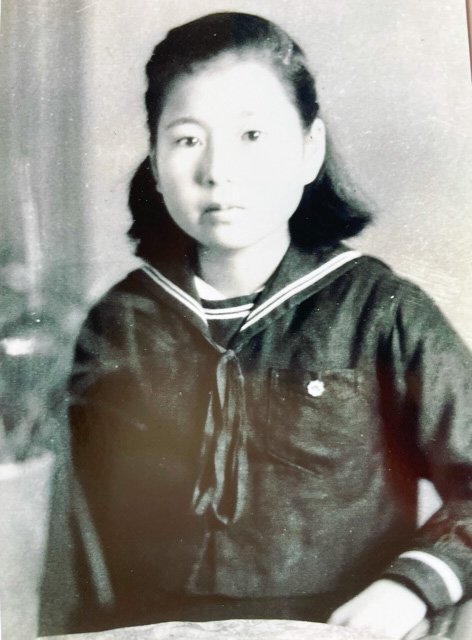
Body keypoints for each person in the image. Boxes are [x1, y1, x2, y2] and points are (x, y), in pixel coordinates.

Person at [69, 11, 472, 638]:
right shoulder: (120, 323)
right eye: (187, 139)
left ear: (310, 149)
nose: (217, 170)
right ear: (153, 159)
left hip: (343, 628)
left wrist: (409, 588)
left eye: (252, 135)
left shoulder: (381, 311)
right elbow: (76, 534)